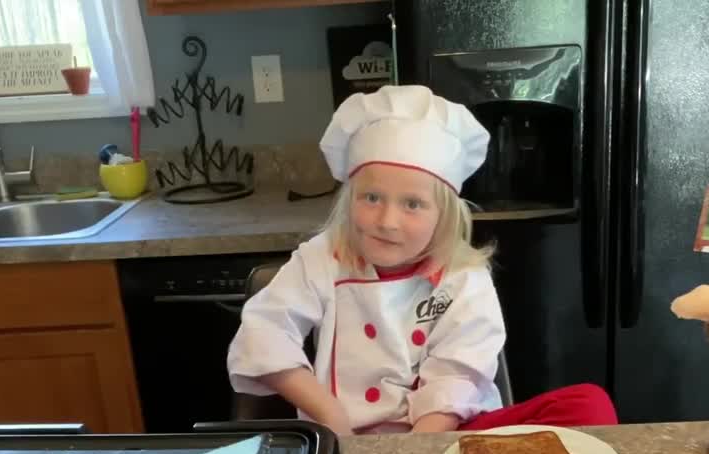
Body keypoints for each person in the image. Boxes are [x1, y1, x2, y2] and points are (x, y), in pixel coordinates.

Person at [227, 85, 617, 435]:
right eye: (371, 198)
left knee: (588, 404)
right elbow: (265, 332)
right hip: (347, 436)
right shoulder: (322, 257)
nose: (387, 221)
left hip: (445, 434)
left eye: (412, 204)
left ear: (444, 214)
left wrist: (420, 453)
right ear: (350, 200)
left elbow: (459, 371)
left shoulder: (464, 275)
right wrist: (330, 418)